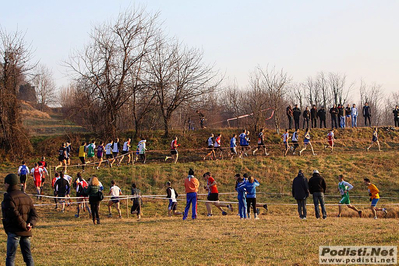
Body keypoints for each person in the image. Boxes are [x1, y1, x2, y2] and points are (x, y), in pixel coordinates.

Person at [2, 173, 38, 266]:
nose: (4, 185)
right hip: (26, 231)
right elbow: (34, 214)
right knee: (28, 256)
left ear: (8, 184)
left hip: (14, 231)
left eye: (5, 183)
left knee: (11, 257)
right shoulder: (26, 196)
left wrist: (24, 225)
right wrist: (30, 224)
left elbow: (14, 215)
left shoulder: (8, 197)